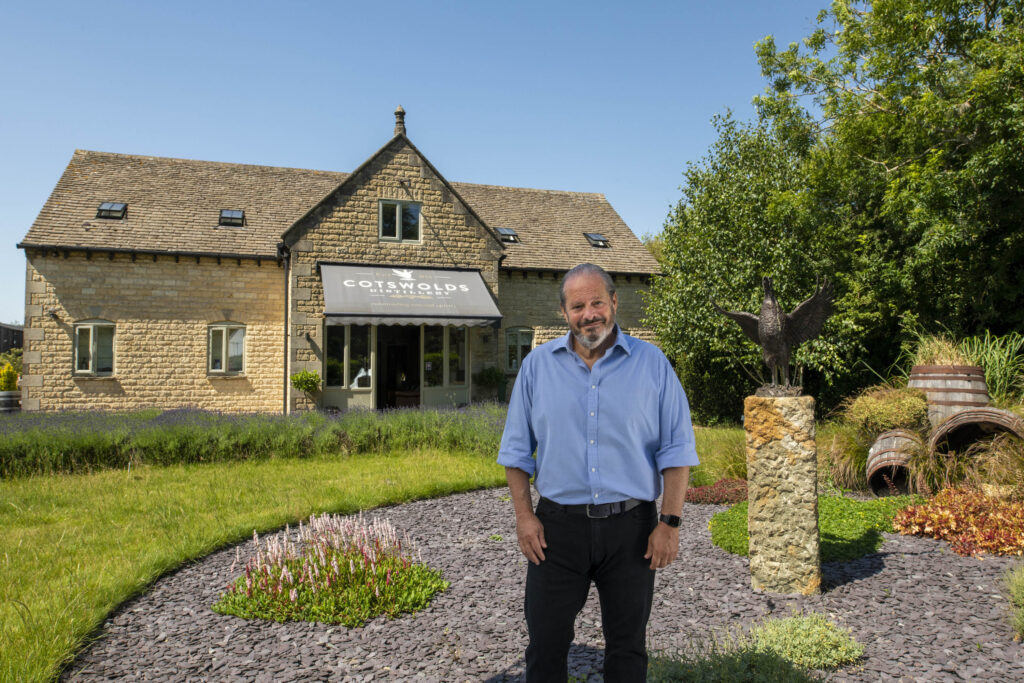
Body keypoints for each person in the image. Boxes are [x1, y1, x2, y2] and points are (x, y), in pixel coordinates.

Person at [497, 262, 699, 683]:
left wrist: (670, 523)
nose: (589, 314)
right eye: (577, 306)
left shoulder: (653, 364)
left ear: (614, 303)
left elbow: (677, 449)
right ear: (564, 313)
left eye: (596, 302)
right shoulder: (537, 367)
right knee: (546, 646)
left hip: (632, 531)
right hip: (556, 532)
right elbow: (516, 453)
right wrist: (524, 517)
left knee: (627, 649)